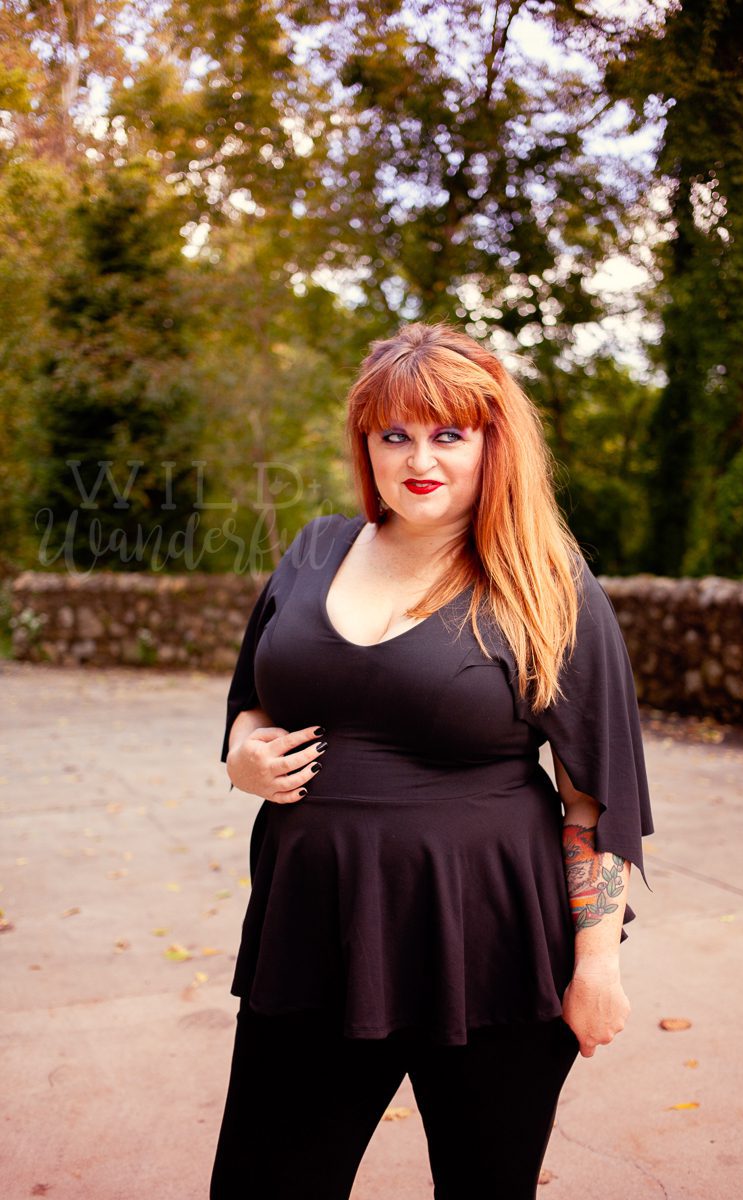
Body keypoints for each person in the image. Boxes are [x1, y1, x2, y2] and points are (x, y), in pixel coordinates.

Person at [210, 321, 653, 1200]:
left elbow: (594, 797)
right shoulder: (314, 550)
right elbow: (250, 704)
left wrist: (597, 967)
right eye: (395, 435)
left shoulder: (544, 582)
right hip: (312, 934)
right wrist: (240, 759)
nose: (420, 459)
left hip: (491, 944)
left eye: (450, 433)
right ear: (365, 444)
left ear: (494, 443)